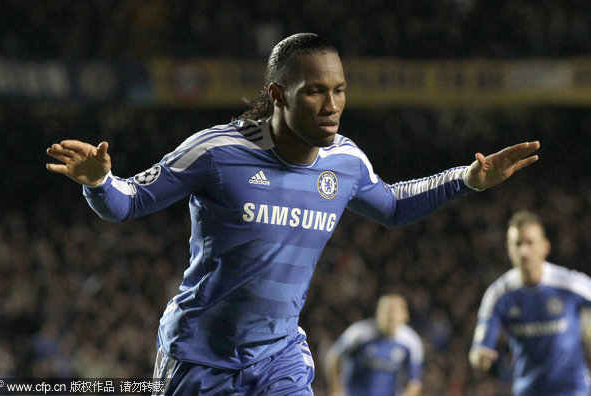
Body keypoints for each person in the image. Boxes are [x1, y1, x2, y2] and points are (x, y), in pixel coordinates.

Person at [46, 33, 540, 395]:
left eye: (340, 90)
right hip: (200, 358)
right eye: (315, 91)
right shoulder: (217, 151)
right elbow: (128, 201)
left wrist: (467, 179)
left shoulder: (345, 161)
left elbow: (392, 205)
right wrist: (97, 182)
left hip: (279, 356)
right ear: (279, 95)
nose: (332, 106)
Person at [469, 210, 591, 396]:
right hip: (528, 391)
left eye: (530, 243)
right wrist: (479, 358)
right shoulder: (498, 294)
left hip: (574, 390)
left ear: (545, 247)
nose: (523, 251)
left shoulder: (570, 284)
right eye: (517, 244)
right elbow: (479, 348)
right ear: (509, 250)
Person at [325, 294, 423, 396]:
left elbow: (414, 382)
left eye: (396, 311)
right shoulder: (358, 333)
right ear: (378, 313)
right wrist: (335, 390)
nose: (392, 315)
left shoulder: (411, 342)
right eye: (388, 311)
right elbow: (333, 357)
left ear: (405, 315)